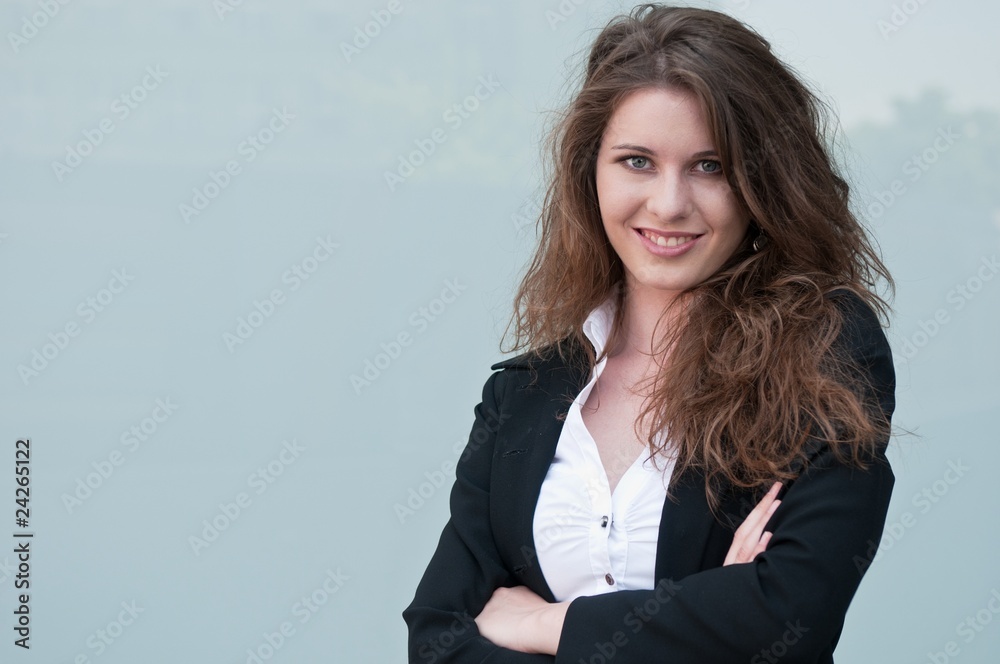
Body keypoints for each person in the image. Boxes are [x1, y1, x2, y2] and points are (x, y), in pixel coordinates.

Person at [402, 4, 896, 662]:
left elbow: (786, 618)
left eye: (710, 166)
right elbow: (437, 636)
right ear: (591, 172)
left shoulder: (821, 354)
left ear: (764, 182)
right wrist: (704, 617)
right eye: (637, 161)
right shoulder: (522, 393)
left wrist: (548, 624)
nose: (668, 204)